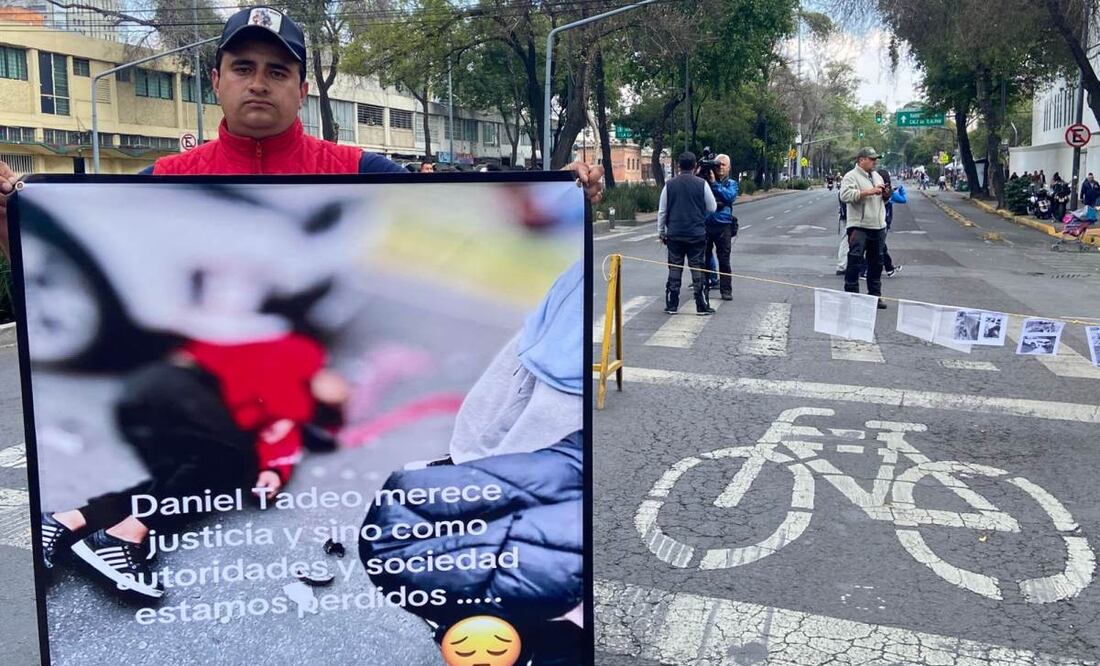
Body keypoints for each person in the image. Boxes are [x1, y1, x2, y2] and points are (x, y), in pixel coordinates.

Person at [0, 6, 603, 260]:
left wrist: (565, 190)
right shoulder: (162, 180)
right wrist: (10, 217)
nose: (258, 83)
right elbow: (68, 263)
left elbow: (467, 224)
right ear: (217, 82)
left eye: (277, 70)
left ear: (302, 89)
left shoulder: (363, 173)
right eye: (243, 68)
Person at [657, 152, 717, 315]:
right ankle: (701, 304)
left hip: (675, 233)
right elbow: (712, 207)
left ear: (678, 166)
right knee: (697, 267)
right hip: (696, 233)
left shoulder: (669, 185)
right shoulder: (702, 184)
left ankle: (672, 304)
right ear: (695, 166)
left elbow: (662, 211)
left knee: (675, 268)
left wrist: (661, 232)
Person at [839, 147, 889, 309]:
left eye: (875, 159)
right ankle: (851, 294)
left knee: (876, 263)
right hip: (859, 226)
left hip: (878, 225)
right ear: (861, 160)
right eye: (871, 159)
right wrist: (868, 192)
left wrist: (886, 193)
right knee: (855, 260)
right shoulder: (851, 176)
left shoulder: (877, 176)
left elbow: (883, 200)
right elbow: (845, 196)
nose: (874, 162)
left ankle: (875, 296)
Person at [701, 153, 739, 300]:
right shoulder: (705, 181)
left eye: (723, 165)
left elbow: (729, 196)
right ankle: (703, 287)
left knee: (724, 260)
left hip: (723, 225)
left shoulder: (732, 183)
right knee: (704, 258)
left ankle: (726, 290)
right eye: (718, 165)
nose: (720, 168)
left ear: (729, 167)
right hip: (706, 224)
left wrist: (715, 184)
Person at [878, 168, 904, 278]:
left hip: (877, 220)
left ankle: (888, 268)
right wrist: (901, 191)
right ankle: (888, 268)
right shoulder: (887, 191)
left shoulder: (876, 188)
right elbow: (903, 199)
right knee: (879, 246)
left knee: (879, 246)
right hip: (882, 221)